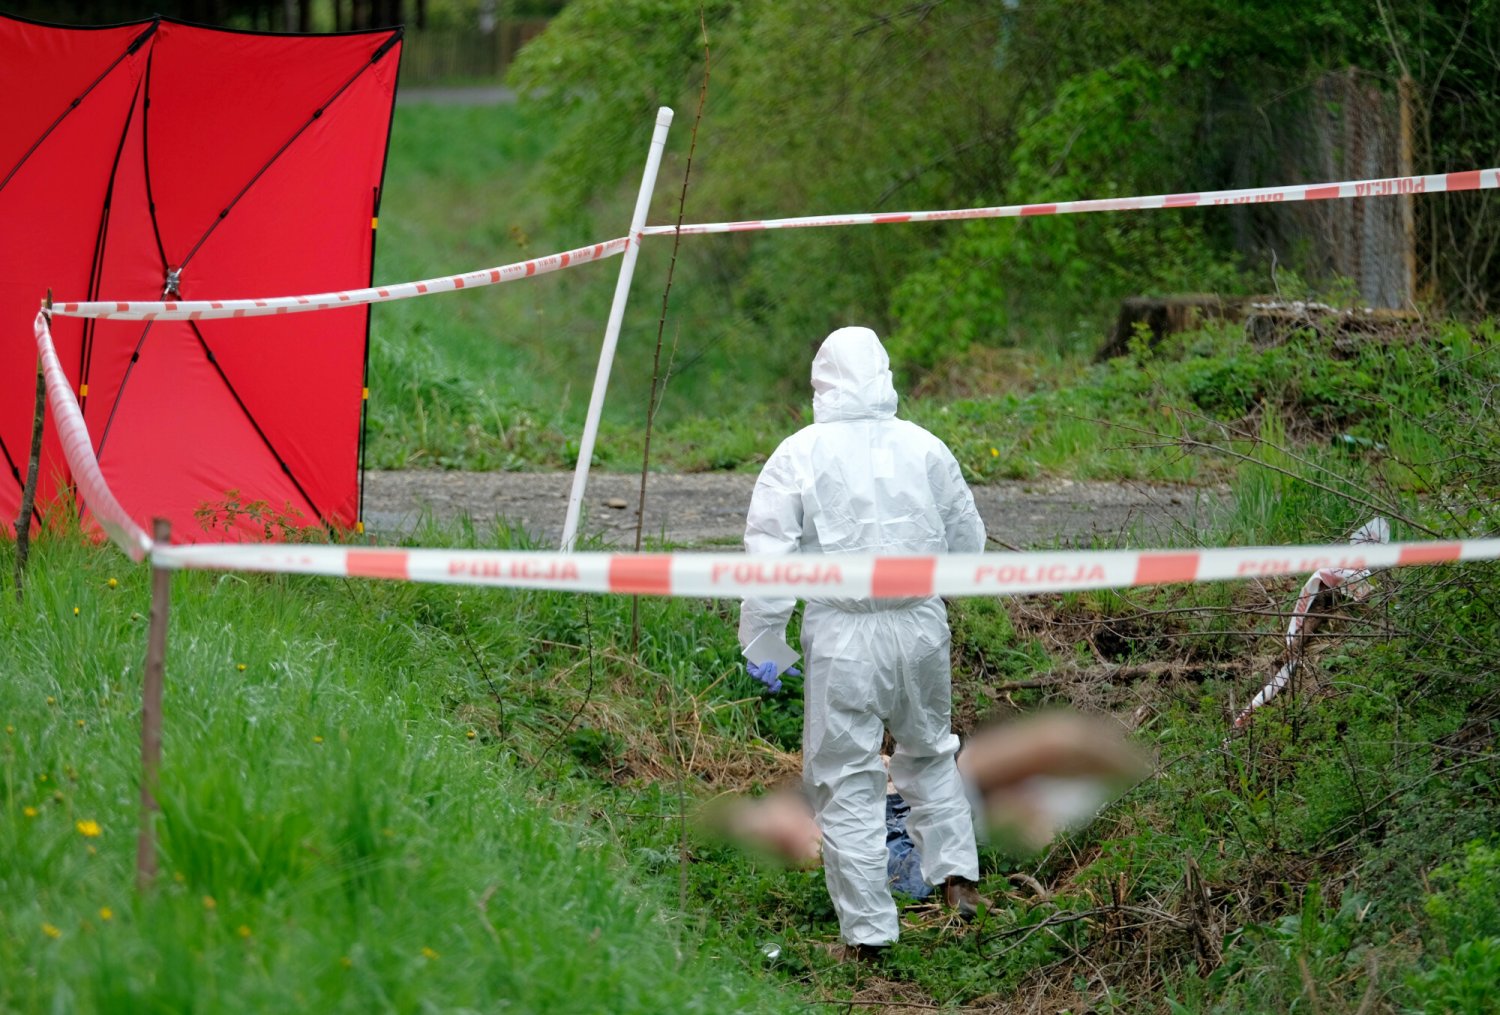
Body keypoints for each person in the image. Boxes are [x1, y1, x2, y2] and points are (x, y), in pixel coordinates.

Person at [739, 325, 986, 957]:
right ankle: (959, 884)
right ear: (884, 375)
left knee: (845, 780)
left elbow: (769, 559)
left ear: (821, 381)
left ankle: (868, 936)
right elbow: (969, 542)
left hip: (844, 633)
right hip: (920, 622)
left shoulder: (797, 453)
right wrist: (934, 598)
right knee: (931, 752)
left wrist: (765, 644)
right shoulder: (926, 447)